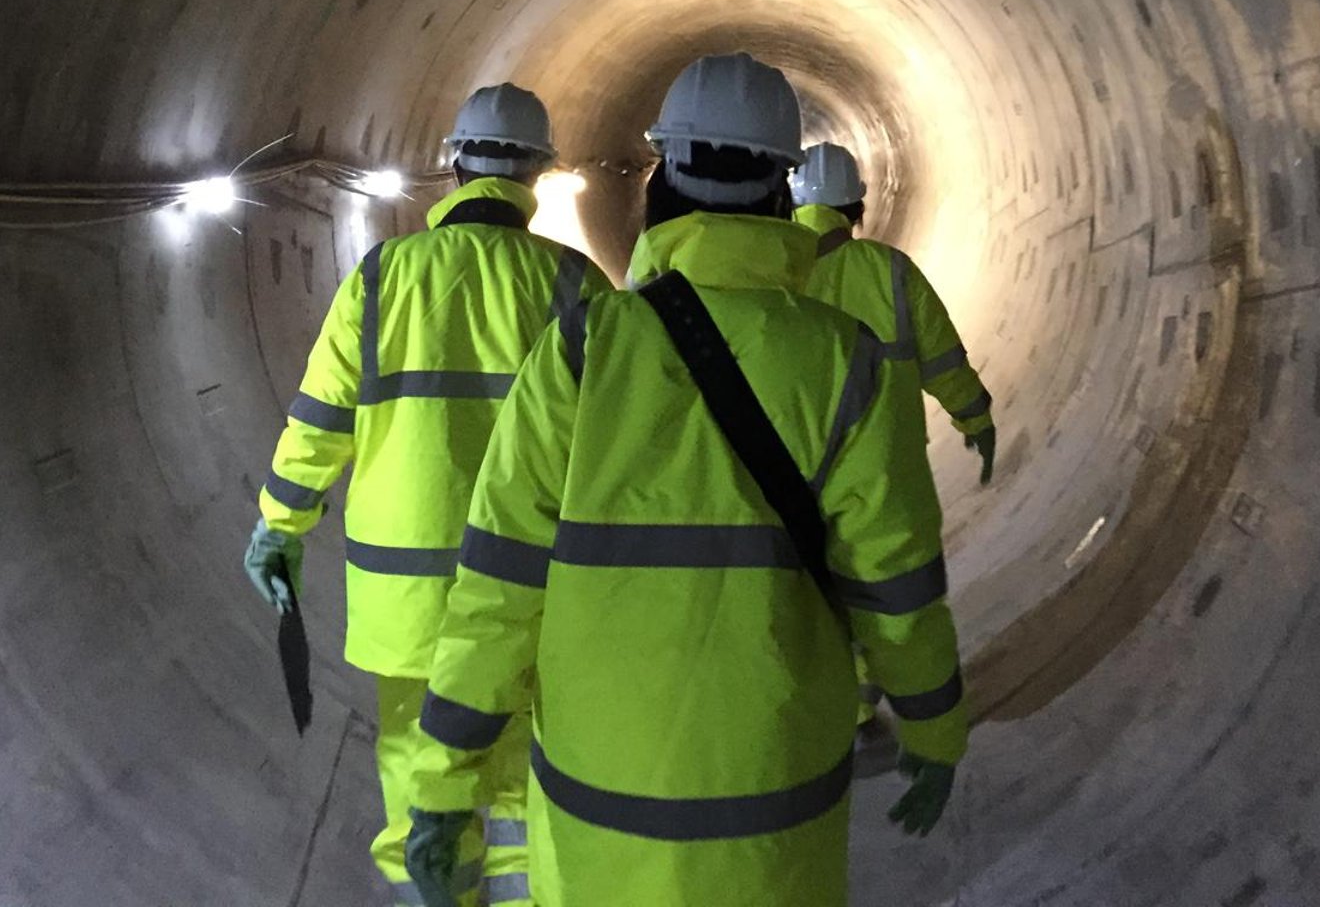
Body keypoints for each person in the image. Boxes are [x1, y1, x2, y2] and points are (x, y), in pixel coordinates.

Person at [403, 53, 966, 907]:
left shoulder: (585, 348)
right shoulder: (845, 362)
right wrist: (934, 729)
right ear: (782, 194)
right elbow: (899, 585)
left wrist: (444, 783)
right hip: (775, 805)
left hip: (598, 801)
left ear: (660, 182)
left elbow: (498, 588)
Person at [242, 84, 613, 907]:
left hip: (403, 591)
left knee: (415, 765)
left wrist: (280, 524)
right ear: (536, 174)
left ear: (454, 165)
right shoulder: (572, 284)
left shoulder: (382, 278)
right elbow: (616, 445)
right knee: (521, 772)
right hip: (528, 588)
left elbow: (321, 416)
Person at [791, 142, 999, 487]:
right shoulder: (890, 269)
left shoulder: (771, 271)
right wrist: (976, 419)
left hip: (797, 480)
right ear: (856, 207)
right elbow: (941, 359)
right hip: (891, 477)